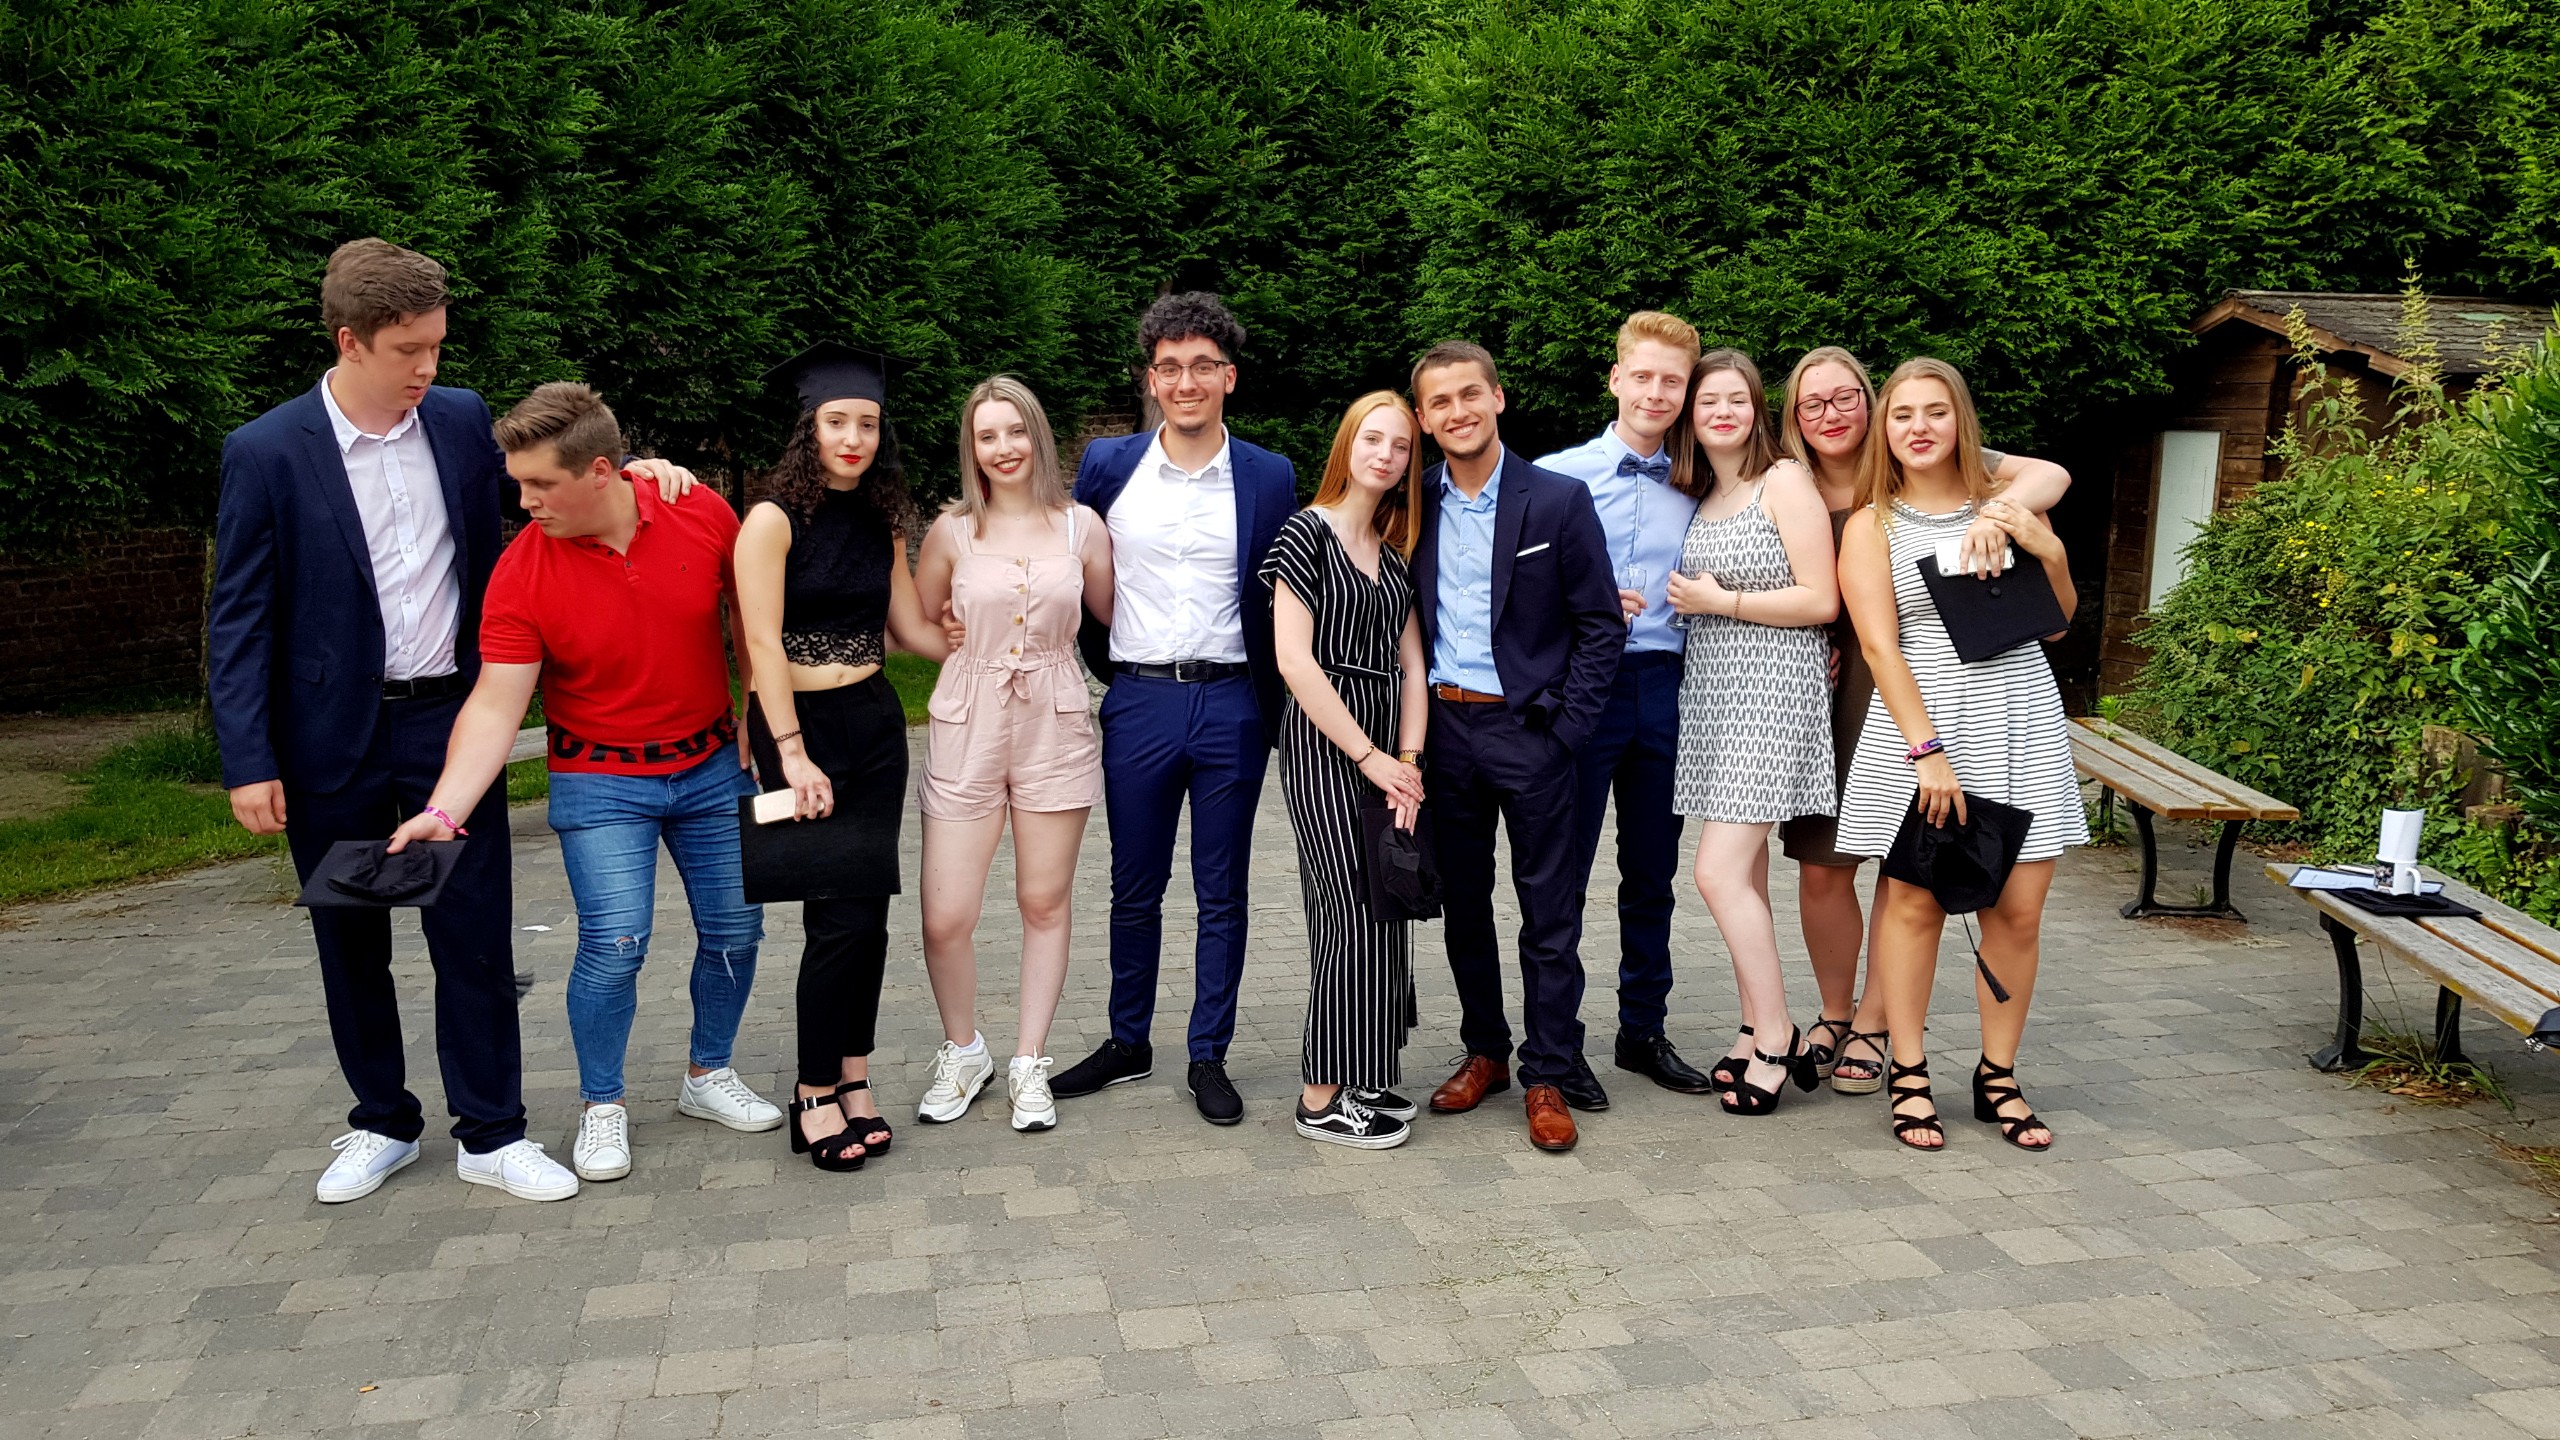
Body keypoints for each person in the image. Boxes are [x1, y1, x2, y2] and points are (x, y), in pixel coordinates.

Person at [209, 239, 692, 1206]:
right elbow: (240, 617)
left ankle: (492, 1132)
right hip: (328, 738)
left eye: (436, 345)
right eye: (408, 350)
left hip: (452, 721)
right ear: (350, 341)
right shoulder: (267, 451)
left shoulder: (462, 419)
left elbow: (551, 484)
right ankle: (381, 1123)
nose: (428, 366)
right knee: (350, 940)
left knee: (472, 935)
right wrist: (248, 757)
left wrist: (636, 472)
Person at [388, 382, 782, 1187]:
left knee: (738, 932)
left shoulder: (699, 511)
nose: (523, 501)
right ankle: (603, 1103)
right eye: (518, 483)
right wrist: (443, 810)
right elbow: (495, 704)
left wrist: (757, 706)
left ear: (602, 472)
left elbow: (753, 616)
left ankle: (708, 1074)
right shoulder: (522, 570)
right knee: (615, 943)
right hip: (600, 778)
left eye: (540, 484)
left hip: (712, 766)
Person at [1772, 347, 2071, 1096]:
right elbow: (1880, 644)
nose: (1920, 426)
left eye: (1936, 411)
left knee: (2018, 911)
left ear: (1961, 419)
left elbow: (2056, 623)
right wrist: (1927, 750)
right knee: (1907, 897)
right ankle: (1900, 1065)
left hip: (2021, 718)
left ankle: (1996, 1078)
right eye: (1904, 414)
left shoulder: (2006, 503)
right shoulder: (1869, 521)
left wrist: (2047, 546)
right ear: (1887, 426)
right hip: (1919, 716)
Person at [1053, 293, 1297, 1127]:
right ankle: (1128, 1041)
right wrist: (1115, 675)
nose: (1185, 382)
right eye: (1169, 367)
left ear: (1228, 377)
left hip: (1233, 703)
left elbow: (1289, 586)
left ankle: (1208, 1053)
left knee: (1221, 890)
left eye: (1201, 366)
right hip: (1141, 701)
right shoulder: (1108, 465)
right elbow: (1074, 569)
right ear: (1151, 379)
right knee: (1134, 886)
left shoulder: (1268, 474)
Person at [733, 342, 948, 1172]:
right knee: (834, 920)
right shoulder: (770, 520)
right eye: (836, 422)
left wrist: (990, 640)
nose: (853, 438)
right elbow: (760, 642)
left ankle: (855, 1078)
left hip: (873, 721)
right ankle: (813, 1092)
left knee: (868, 916)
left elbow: (909, 626)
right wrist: (791, 753)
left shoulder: (882, 517)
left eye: (867, 423)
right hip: (800, 727)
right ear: (809, 428)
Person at [1408, 342, 1622, 1154]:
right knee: (1464, 905)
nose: (1457, 411)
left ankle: (1548, 1072)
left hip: (1532, 733)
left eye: (1471, 394)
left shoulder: (1558, 500)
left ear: (1497, 398)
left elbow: (1600, 624)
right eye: (1440, 401)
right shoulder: (1411, 502)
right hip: (1445, 732)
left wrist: (1567, 731)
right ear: (1423, 417)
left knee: (1549, 911)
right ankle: (1487, 1052)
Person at [909, 376, 1112, 1135]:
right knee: (946, 915)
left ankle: (1029, 1061)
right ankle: (965, 1051)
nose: (1004, 448)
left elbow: (1117, 619)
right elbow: (916, 622)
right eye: (987, 435)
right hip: (969, 721)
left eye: (1015, 431)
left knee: (1043, 901)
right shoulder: (952, 531)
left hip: (1056, 721)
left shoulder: (1082, 528)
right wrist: (954, 646)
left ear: (1038, 436)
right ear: (972, 448)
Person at [1534, 311, 1712, 1098]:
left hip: (1667, 688)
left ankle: (1642, 1030)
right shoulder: (1554, 477)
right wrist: (1588, 599)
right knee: (1562, 874)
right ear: (1615, 379)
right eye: (1642, 375)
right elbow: (1514, 590)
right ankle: (1557, 1042)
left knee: (1652, 874)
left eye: (1672, 381)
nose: (1655, 392)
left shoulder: (1704, 481)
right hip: (1581, 689)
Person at [1660, 350, 1839, 1115]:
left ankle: (1776, 1034)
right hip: (1714, 695)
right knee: (1749, 875)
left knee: (1717, 873)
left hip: (1774, 693)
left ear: (1757, 406)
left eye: (1736, 399)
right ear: (1692, 416)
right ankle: (1749, 1025)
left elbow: (1822, 599)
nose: (1723, 412)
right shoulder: (1703, 491)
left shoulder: (1784, 480)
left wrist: (1721, 601)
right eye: (1709, 402)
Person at [1263, 392, 1431, 1149]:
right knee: (1346, 910)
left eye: (1400, 446)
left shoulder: (1393, 556)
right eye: (1373, 439)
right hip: (1326, 744)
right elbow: (1294, 661)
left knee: (1386, 899)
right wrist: (1368, 754)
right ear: (1347, 445)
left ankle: (1366, 1073)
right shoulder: (1306, 534)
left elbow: (1413, 668)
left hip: (1390, 752)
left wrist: (1409, 763)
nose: (1385, 455)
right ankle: (1319, 1097)